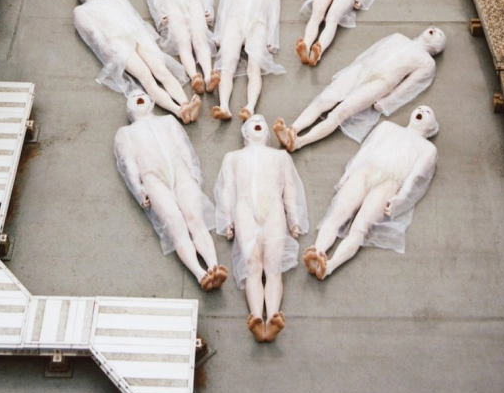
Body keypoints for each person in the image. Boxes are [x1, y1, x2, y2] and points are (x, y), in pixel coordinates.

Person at [304, 105, 438, 281]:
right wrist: (348, 173)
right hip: (365, 171)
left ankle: (330, 266)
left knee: (360, 227)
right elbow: (365, 151)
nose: (422, 111)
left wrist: (401, 198)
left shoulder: (428, 149)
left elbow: (415, 177)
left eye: (428, 112)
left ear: (431, 126)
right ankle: (317, 252)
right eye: (420, 108)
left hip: (390, 183)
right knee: (337, 214)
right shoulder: (387, 127)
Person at [114, 90, 228, 290]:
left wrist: (194, 173)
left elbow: (184, 147)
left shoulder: (167, 120)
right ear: (128, 109)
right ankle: (200, 274)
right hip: (152, 179)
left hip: (180, 171)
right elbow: (128, 164)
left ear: (151, 102)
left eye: (141, 94)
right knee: (176, 225)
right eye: (132, 97)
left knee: (195, 219)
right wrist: (139, 190)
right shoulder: (125, 133)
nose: (137, 96)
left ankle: (213, 266)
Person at [213, 114, 308, 343]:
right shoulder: (233, 157)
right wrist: (227, 219)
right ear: (245, 132)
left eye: (262, 122)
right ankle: (257, 318)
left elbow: (289, 188)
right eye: (253, 121)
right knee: (253, 266)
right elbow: (227, 189)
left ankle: (273, 318)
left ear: (266, 133)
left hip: (274, 210)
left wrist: (294, 218)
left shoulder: (280, 156)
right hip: (245, 210)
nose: (258, 121)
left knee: (273, 268)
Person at [274, 28, 445, 152]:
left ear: (437, 48)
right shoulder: (398, 37)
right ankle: (292, 129)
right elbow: (370, 52)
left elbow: (409, 86)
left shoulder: (427, 62)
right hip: (362, 68)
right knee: (324, 100)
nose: (436, 31)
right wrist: (350, 69)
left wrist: (387, 101)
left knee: (339, 114)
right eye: (435, 29)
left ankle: (299, 142)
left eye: (440, 35)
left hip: (381, 83)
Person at [73, 0, 201, 123]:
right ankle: (178, 111)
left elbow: (134, 16)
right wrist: (108, 50)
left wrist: (148, 36)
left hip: (137, 35)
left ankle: (186, 104)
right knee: (146, 77)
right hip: (117, 44)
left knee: (161, 70)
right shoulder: (81, 11)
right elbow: (94, 34)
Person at [211, 0, 282, 122]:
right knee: (227, 64)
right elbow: (224, 9)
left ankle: (250, 107)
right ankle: (224, 106)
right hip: (234, 22)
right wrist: (218, 32)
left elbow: (274, 15)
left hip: (258, 26)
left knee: (254, 67)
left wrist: (272, 38)